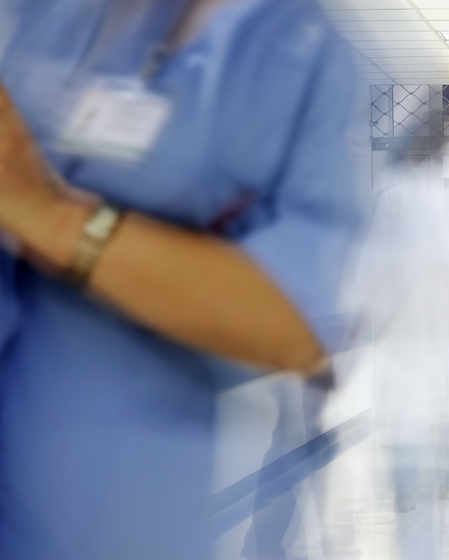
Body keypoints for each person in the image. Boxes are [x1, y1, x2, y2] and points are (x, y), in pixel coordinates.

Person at [0, 1, 364, 558]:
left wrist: (50, 217)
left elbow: (291, 319)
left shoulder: (297, 48)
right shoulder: (52, 26)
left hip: (123, 488)